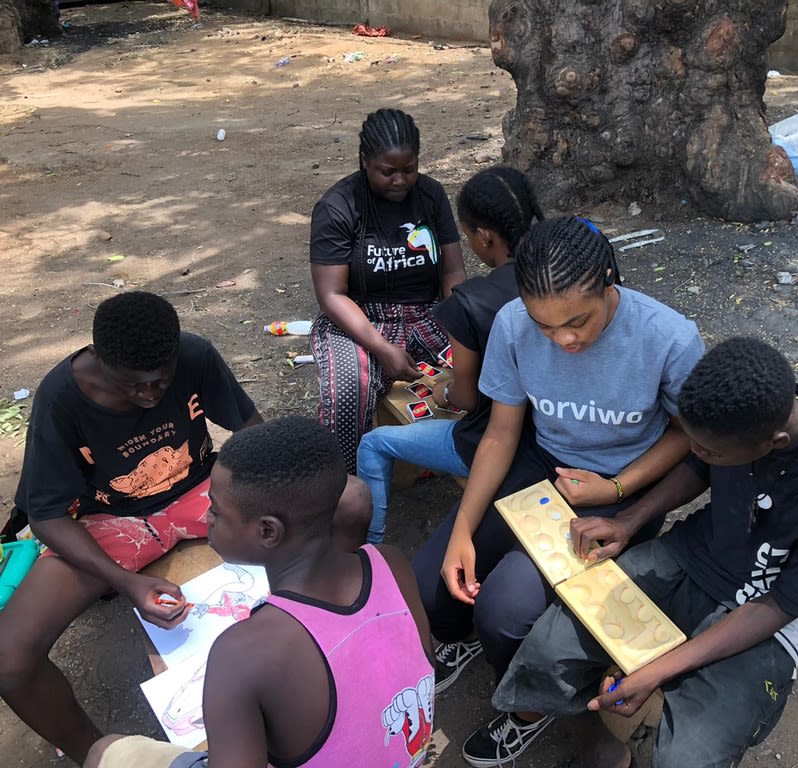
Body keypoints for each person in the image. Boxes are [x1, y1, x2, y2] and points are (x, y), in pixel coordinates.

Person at [491, 337, 798, 768]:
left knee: (688, 758)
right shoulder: (733, 414)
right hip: (693, 555)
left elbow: (784, 603)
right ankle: (585, 736)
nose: (696, 453)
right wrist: (630, 520)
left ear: (776, 442)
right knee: (551, 648)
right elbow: (699, 466)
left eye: (710, 451)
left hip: (763, 608)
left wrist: (659, 669)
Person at [412, 216, 706, 766]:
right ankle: (461, 638)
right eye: (546, 327)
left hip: (618, 487)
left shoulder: (668, 338)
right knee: (434, 581)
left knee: (505, 612)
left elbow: (687, 433)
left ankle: (529, 707)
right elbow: (501, 433)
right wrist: (463, 529)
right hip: (542, 468)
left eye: (577, 321)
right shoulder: (512, 324)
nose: (564, 340)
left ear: (609, 281)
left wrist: (616, 485)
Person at [0, 291, 263, 766]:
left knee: (338, 502)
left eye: (159, 383)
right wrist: (125, 581)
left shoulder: (196, 354)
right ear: (99, 359)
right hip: (113, 522)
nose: (148, 396)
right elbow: (46, 513)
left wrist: (257, 498)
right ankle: (99, 754)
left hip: (203, 492)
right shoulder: (61, 397)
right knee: (10, 660)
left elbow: (253, 433)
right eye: (132, 386)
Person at [83, 416, 435, 768]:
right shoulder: (392, 564)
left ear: (268, 531)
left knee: (108, 751)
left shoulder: (240, 655)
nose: (206, 518)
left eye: (217, 511)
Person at [356, 165, 544, 543]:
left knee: (372, 443)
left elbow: (468, 398)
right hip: (556, 438)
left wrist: (444, 389)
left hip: (493, 444)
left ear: (484, 236)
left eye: (468, 234)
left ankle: (370, 548)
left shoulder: (471, 301)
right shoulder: (564, 273)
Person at [310, 107, 467, 473]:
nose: (400, 180)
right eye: (387, 171)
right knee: (349, 388)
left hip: (429, 313)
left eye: (408, 169)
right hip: (361, 320)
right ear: (365, 161)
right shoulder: (339, 206)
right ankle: (346, 487)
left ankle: (472, 459)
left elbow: (454, 269)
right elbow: (332, 294)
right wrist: (382, 349)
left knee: (490, 363)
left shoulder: (431, 195)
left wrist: (462, 327)